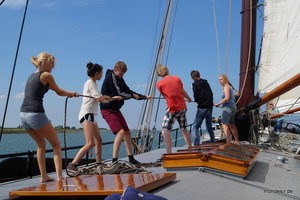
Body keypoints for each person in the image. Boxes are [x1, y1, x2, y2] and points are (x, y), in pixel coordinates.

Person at [20, 52, 79, 183]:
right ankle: (59, 177)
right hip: (35, 114)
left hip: (23, 115)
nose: (53, 66)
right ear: (44, 62)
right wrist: (72, 94)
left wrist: (69, 93)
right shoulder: (47, 75)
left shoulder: (32, 76)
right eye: (51, 63)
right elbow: (59, 92)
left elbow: (56, 90)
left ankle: (44, 176)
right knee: (56, 144)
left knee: (41, 144)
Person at [100, 61, 150, 164]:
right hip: (107, 109)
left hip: (116, 109)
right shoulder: (111, 77)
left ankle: (131, 158)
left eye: (123, 74)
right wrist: (131, 96)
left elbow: (128, 90)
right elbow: (120, 94)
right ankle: (114, 161)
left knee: (127, 132)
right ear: (115, 70)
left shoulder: (120, 79)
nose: (121, 76)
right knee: (121, 132)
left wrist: (143, 97)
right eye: (120, 73)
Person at [67, 62, 111, 172]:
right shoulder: (90, 83)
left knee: (99, 140)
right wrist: (107, 97)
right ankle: (73, 164)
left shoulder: (94, 84)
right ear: (96, 73)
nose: (101, 75)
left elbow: (100, 98)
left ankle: (98, 163)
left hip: (92, 115)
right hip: (87, 115)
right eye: (101, 73)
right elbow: (99, 99)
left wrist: (109, 98)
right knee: (90, 143)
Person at [156, 65, 192, 153]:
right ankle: (190, 148)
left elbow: (165, 95)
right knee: (183, 129)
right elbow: (182, 91)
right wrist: (189, 99)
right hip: (182, 107)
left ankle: (168, 152)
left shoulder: (159, 83)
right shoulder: (177, 79)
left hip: (173, 108)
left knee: (165, 130)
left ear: (159, 73)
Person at [190, 70, 215, 145]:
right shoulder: (206, 82)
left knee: (195, 127)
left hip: (202, 107)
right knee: (209, 126)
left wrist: (197, 101)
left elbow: (196, 94)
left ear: (192, 77)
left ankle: (196, 144)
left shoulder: (195, 84)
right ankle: (213, 141)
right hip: (210, 107)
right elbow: (211, 93)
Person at [215, 74, 239, 144]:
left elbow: (227, 98)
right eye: (219, 80)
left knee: (224, 125)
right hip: (233, 107)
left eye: (221, 79)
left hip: (227, 108)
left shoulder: (226, 87)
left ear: (225, 79)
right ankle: (237, 142)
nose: (220, 81)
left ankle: (228, 143)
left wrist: (218, 103)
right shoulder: (230, 87)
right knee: (232, 125)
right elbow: (233, 98)